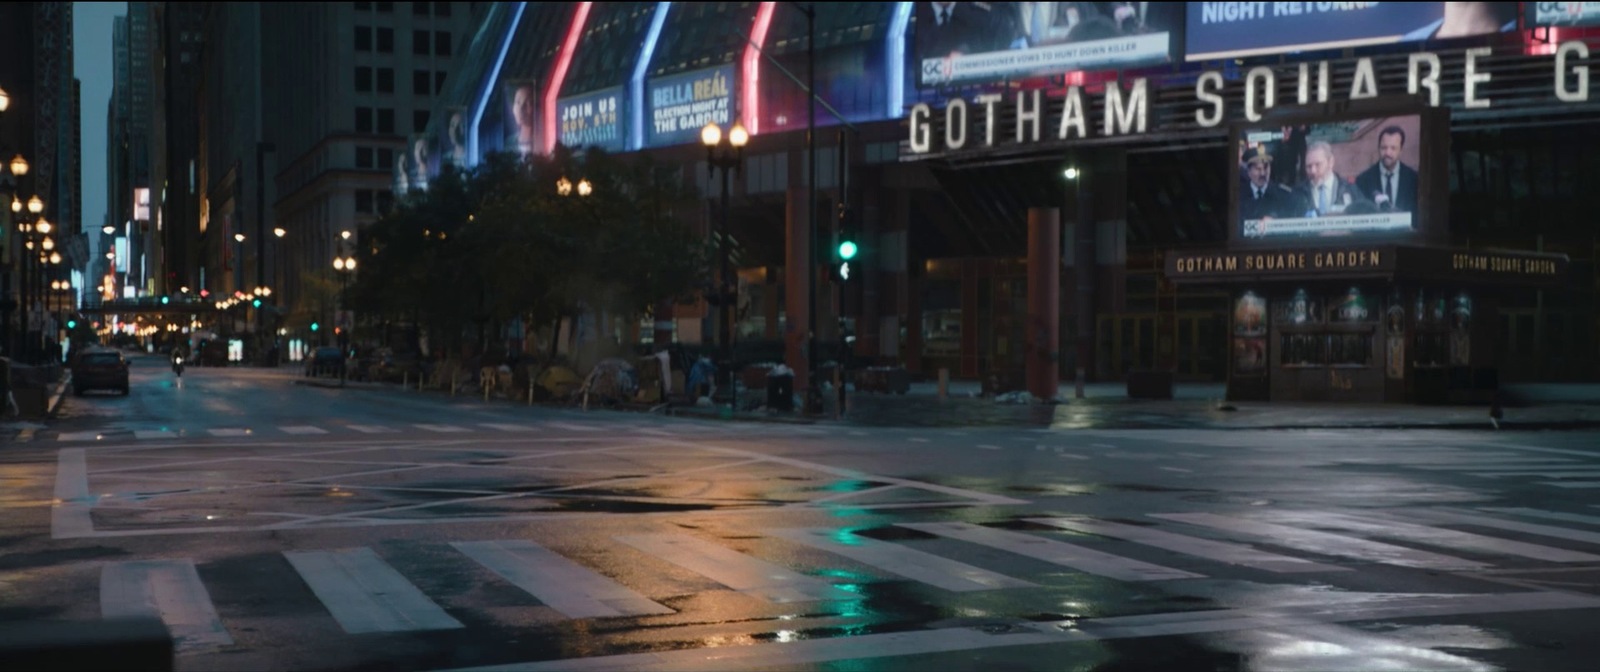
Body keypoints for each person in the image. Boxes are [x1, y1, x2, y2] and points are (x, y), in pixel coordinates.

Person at [1355, 125, 1419, 213]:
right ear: (1378, 148)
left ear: (1401, 150)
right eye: (1384, 148)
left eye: (1393, 148)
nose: (1388, 153)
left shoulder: (1414, 179)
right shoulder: (1363, 180)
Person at [1295, 141, 1369, 217]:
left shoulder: (1350, 190)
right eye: (1309, 166)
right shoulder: (1298, 194)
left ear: (1331, 162)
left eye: (1318, 165)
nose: (1313, 171)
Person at [1238, 146, 1304, 224]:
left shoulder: (1283, 195)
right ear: (1248, 172)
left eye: (1266, 168)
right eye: (1258, 169)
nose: (1262, 173)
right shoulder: (1239, 196)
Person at [510, 82, 537, 157]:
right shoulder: (509, 142)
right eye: (518, 102)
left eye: (528, 103)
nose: (521, 109)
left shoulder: (543, 140)